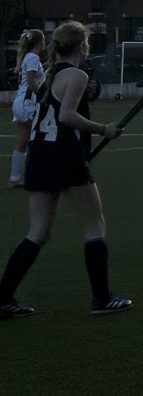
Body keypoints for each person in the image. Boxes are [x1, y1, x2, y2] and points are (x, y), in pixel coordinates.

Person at [0, 21, 131, 318]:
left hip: (39, 158)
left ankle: (3, 298)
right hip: (64, 157)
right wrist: (103, 130)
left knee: (38, 232)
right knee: (95, 223)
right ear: (83, 45)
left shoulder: (50, 75)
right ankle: (101, 298)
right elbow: (68, 116)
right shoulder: (76, 74)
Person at [7, 30, 46, 188]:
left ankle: (14, 178)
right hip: (28, 102)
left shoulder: (29, 57)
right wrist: (43, 96)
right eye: (43, 40)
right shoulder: (34, 57)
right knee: (36, 140)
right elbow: (31, 81)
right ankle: (34, 175)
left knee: (23, 141)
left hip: (20, 101)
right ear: (39, 42)